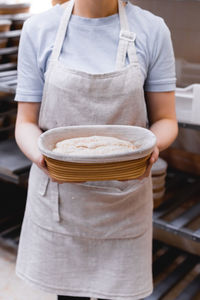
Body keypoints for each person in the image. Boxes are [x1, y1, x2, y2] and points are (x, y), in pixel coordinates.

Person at [14, 0, 178, 299]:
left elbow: (166, 119)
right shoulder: (38, 29)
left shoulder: (152, 30)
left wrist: (151, 147)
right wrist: (46, 158)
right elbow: (25, 122)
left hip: (124, 200)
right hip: (61, 201)